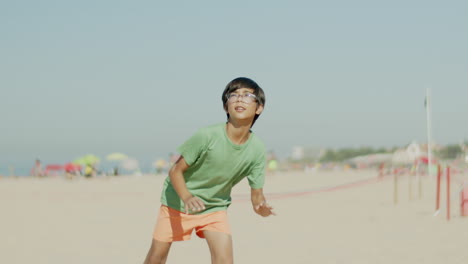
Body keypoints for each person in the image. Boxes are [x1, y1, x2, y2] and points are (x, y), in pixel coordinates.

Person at [143, 77, 275, 264]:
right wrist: (187, 197)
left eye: (247, 95)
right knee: (157, 257)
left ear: (259, 108)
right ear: (225, 106)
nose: (239, 99)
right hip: (177, 202)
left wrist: (260, 207)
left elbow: (257, 194)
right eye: (233, 95)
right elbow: (175, 171)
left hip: (214, 207)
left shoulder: (257, 149)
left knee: (224, 260)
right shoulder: (206, 136)